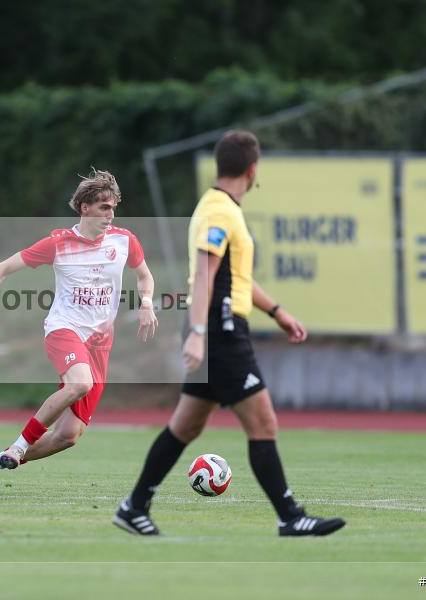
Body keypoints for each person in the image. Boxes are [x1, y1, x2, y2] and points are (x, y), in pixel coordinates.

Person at [113, 131, 346, 537]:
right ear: (252, 170)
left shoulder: (220, 207)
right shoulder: (221, 211)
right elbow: (206, 270)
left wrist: (277, 312)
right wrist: (199, 332)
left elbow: (236, 277)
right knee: (264, 423)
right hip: (219, 328)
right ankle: (291, 517)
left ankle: (134, 507)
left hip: (218, 325)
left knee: (185, 427)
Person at [0, 168, 158, 496]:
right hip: (64, 329)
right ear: (85, 207)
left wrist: (146, 302)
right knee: (80, 383)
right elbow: (3, 268)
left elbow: (144, 276)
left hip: (100, 344)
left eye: (113, 207)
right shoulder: (58, 243)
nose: (110, 214)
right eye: (104, 207)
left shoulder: (124, 240)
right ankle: (19, 446)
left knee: (69, 436)